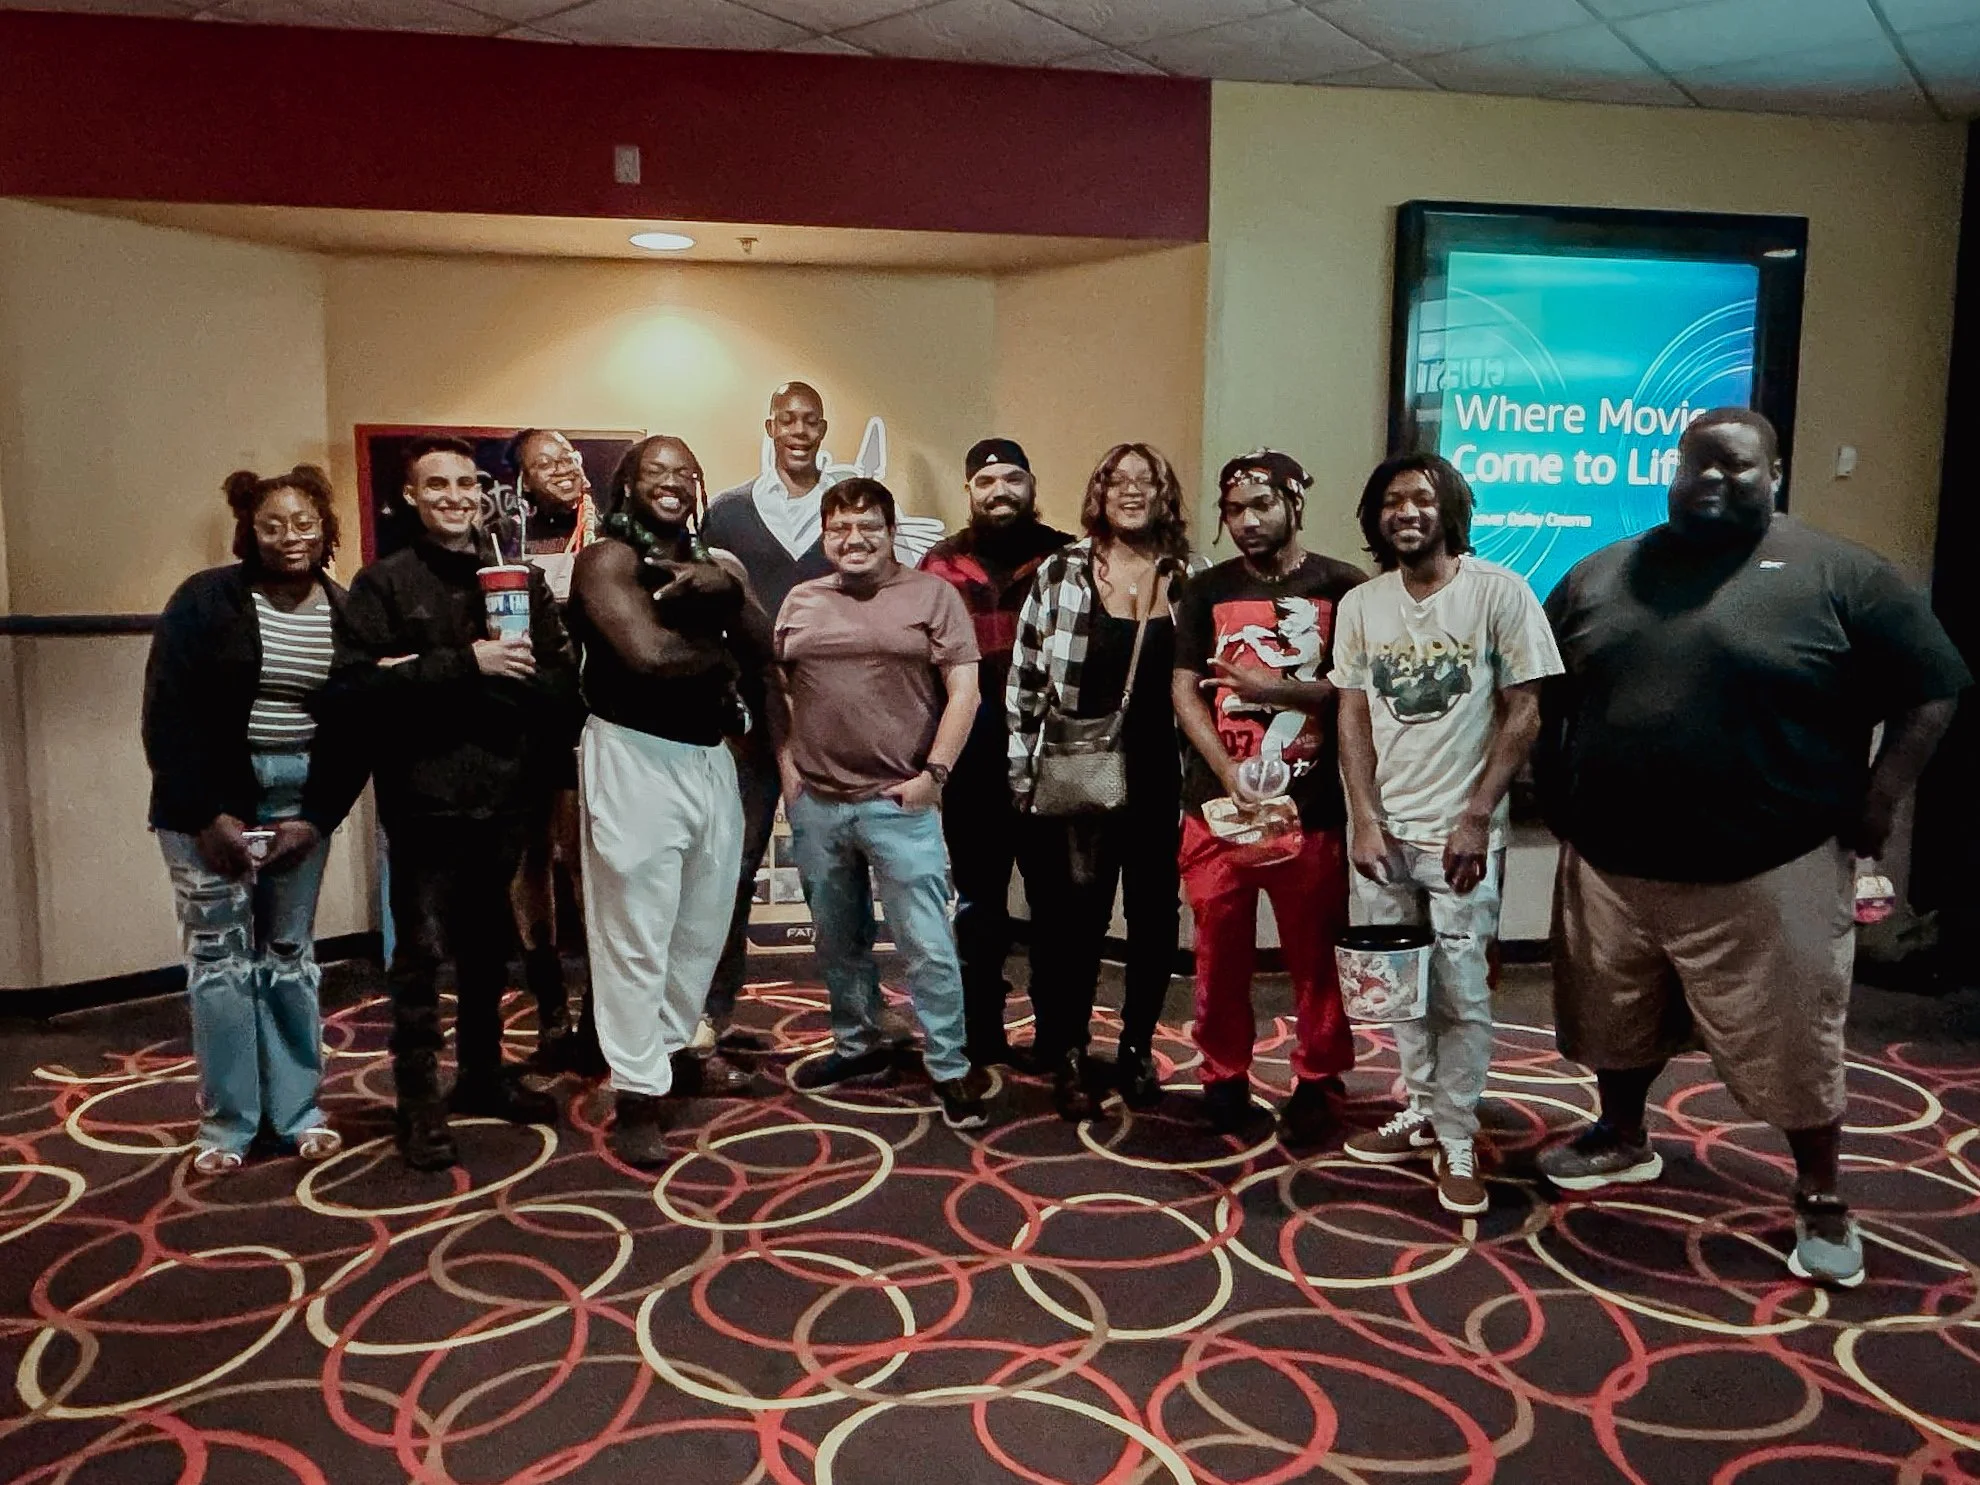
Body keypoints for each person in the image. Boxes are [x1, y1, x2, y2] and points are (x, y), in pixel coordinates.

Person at [1535, 407, 1966, 1288]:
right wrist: (1554, 792)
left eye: (1740, 466)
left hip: (1771, 860)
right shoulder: (1603, 572)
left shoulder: (1842, 573)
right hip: (1616, 862)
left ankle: (1819, 1193)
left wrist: (1882, 796)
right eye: (1701, 464)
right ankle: (1622, 1136)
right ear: (1672, 471)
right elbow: (1543, 692)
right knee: (1616, 1017)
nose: (1718, 479)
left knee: (1795, 1040)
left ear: (1778, 472)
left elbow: (1935, 687)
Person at [323, 435, 580, 1171]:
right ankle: (419, 1102)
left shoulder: (516, 578)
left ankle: (481, 1074)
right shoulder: (383, 585)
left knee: (488, 949)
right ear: (411, 495)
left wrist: (472, 676)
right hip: (424, 797)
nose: (455, 497)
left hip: (506, 792)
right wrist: (468, 663)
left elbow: (559, 686)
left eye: (466, 484)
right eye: (437, 485)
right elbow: (356, 689)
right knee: (420, 955)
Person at [1333, 454, 1561, 1214]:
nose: (1406, 511)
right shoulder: (1364, 603)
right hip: (1383, 841)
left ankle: (1458, 1129)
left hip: (1462, 839)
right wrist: (1363, 816)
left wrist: (1475, 816)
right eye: (1392, 501)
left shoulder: (1501, 593)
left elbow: (1525, 709)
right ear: (1376, 518)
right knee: (1400, 991)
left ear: (1449, 509)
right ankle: (1423, 1107)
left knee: (1461, 990)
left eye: (1422, 499)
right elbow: (1353, 713)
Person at [142, 466, 369, 1174]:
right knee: (219, 962)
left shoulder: (342, 607)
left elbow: (356, 721)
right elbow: (166, 713)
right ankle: (230, 1125)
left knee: (290, 957)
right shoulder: (205, 600)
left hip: (301, 800)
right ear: (248, 531)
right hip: (206, 805)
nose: (290, 537)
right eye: (273, 525)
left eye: (304, 523)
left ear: (326, 529)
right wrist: (208, 814)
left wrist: (318, 817)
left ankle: (299, 1112)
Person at [567, 435, 769, 1166]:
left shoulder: (719, 561)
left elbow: (766, 643)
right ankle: (637, 1096)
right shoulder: (608, 559)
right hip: (632, 752)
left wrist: (729, 590)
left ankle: (672, 1050)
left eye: (687, 471)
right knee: (634, 931)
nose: (675, 482)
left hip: (709, 757)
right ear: (628, 485)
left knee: (699, 926)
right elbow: (647, 657)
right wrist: (718, 658)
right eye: (657, 472)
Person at [771, 477, 991, 1130]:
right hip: (819, 804)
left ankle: (950, 1066)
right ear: (825, 533)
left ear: (891, 531)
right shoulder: (800, 601)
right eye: (840, 527)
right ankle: (857, 1043)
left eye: (868, 525)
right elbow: (779, 691)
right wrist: (790, 773)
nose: (854, 538)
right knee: (839, 942)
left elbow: (966, 690)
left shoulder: (932, 595)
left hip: (902, 803)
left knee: (926, 944)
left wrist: (935, 775)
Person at [1171, 451, 1364, 1143]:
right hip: (1217, 807)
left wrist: (1273, 690)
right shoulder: (1205, 590)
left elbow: (1355, 691)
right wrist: (1227, 772)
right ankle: (1223, 1075)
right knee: (1218, 956)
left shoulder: (1346, 587)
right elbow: (1183, 689)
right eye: (1234, 510)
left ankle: (1318, 1078)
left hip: (1310, 807)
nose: (1248, 520)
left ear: (1294, 504)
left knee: (1315, 955)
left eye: (1262, 505)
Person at [1009, 443, 1202, 1120]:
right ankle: (1066, 1051)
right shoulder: (1062, 570)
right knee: (1072, 924)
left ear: (1164, 493)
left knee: (1154, 924)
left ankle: (1136, 1049)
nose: (1131, 490)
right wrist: (1018, 770)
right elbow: (1026, 679)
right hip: (1077, 773)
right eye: (1118, 480)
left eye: (1146, 480)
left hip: (1163, 777)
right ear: (1100, 492)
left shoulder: (1190, 575)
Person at [701, 381, 852, 1046]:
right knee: (731, 868)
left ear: (824, 429)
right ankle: (712, 1008)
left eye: (810, 420)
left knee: (843, 869)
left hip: (832, 714)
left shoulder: (849, 509)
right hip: (745, 721)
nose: (798, 429)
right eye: (786, 419)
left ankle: (857, 1016)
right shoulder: (728, 512)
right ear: (770, 426)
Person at [919, 438, 1073, 1069]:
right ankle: (981, 1027)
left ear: (1031, 485)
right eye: (987, 483)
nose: (1000, 492)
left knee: (1056, 900)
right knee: (978, 899)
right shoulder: (940, 565)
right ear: (970, 491)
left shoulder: (1068, 557)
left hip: (1052, 750)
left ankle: (1060, 1036)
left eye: (1013, 479)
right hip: (973, 752)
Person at [503, 428, 599, 1074]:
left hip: (596, 716)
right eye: (546, 462)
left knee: (588, 860)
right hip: (523, 719)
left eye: (568, 457)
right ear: (522, 480)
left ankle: (600, 1010)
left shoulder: (611, 530)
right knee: (529, 858)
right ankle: (549, 1006)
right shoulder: (503, 543)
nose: (562, 469)